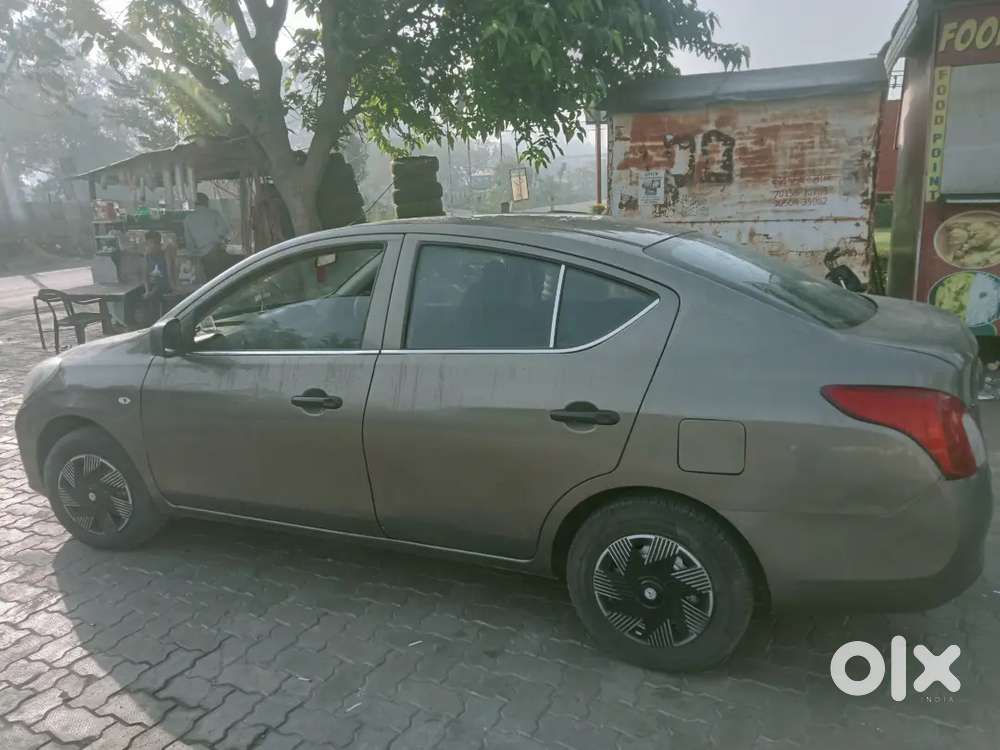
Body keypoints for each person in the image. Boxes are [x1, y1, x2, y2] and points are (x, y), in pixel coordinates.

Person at [182, 192, 231, 282]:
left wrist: (193, 255)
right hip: (216, 251)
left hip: (202, 255)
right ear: (206, 202)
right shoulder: (214, 214)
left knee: (210, 282)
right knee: (223, 280)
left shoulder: (188, 218)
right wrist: (217, 237)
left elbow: (189, 242)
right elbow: (224, 230)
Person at [139, 231, 171, 326]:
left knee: (153, 297)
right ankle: (133, 323)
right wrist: (147, 290)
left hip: (164, 284)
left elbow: (167, 277)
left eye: (153, 243)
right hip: (152, 286)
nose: (150, 246)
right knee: (133, 295)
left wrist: (151, 292)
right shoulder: (147, 256)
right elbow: (145, 276)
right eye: (148, 244)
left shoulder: (165, 255)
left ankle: (154, 324)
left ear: (158, 243)